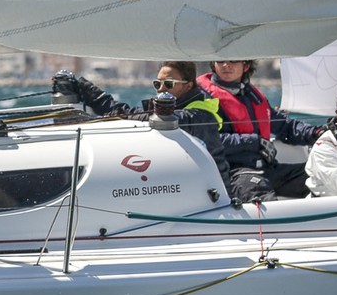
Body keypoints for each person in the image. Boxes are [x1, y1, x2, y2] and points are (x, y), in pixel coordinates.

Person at [58, 61, 233, 196]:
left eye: (169, 84)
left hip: (214, 195)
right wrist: (83, 89)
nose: (161, 89)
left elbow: (135, 116)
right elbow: (128, 113)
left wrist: (94, 102)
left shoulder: (198, 115)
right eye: (158, 84)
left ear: (188, 85)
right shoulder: (169, 110)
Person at [195, 59, 323, 200]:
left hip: (268, 169)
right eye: (220, 61)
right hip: (234, 173)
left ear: (246, 66)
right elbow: (207, 140)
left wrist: (317, 133)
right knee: (261, 195)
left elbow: (285, 126)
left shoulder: (253, 96)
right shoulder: (202, 98)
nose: (226, 65)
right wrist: (254, 142)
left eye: (233, 60)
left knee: (321, 176)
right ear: (214, 65)